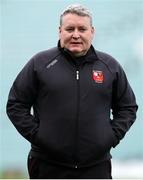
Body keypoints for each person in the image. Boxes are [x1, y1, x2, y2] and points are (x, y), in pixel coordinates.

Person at [6, 4, 138, 179]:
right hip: (48, 165)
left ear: (92, 31)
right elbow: (16, 105)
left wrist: (110, 137)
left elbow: (128, 107)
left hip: (96, 166)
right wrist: (39, 136)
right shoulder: (40, 63)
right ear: (60, 31)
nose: (76, 34)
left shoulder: (109, 66)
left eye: (82, 29)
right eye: (70, 29)